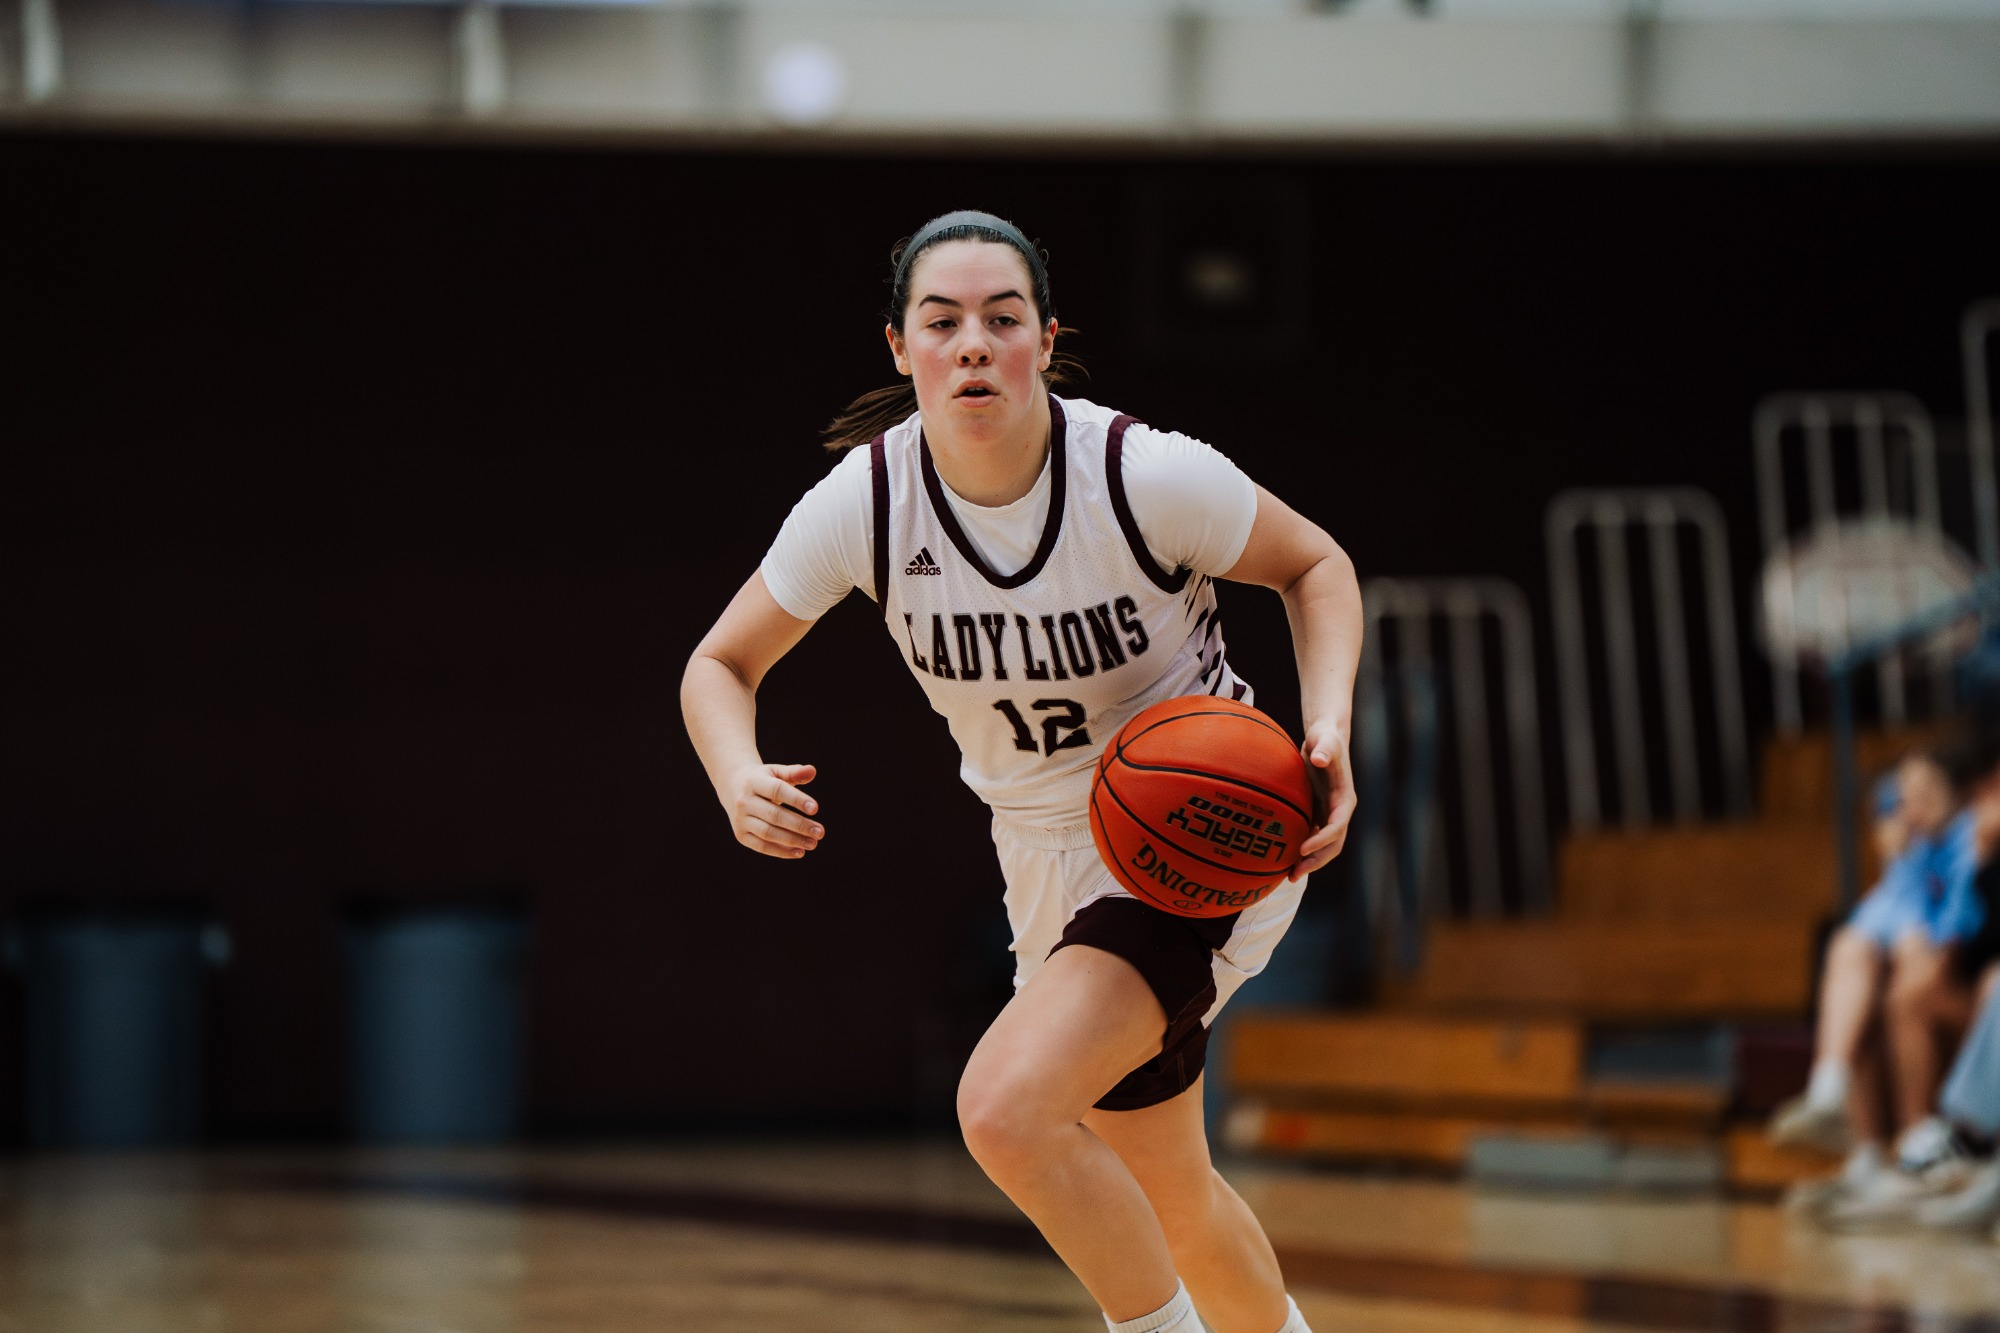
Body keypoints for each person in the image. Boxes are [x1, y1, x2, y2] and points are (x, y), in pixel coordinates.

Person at [681, 211, 1362, 1333]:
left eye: (1001, 320)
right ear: (900, 348)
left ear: (1045, 340)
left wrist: (1327, 723)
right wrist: (734, 769)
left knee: (1002, 1111)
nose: (972, 344)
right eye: (941, 321)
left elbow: (1313, 565)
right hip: (1040, 857)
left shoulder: (1138, 475)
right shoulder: (867, 503)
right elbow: (718, 662)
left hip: (1189, 835)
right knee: (1166, 1187)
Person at [1772, 746, 1984, 1212]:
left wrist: (1913, 934)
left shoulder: (1971, 838)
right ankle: (1831, 1099)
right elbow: (1874, 922)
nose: (1912, 806)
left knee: (1909, 983)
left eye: (1925, 792)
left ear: (1957, 794)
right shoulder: (1916, 845)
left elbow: (1957, 938)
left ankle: (1914, 1137)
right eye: (1903, 797)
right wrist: (1899, 862)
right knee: (1851, 951)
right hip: (1926, 978)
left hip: (1969, 987)